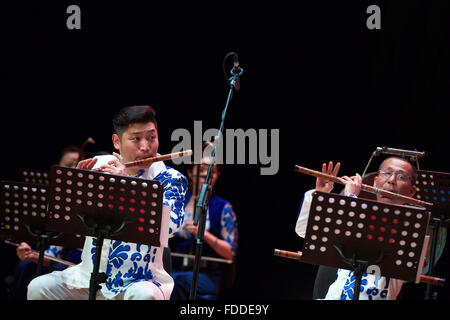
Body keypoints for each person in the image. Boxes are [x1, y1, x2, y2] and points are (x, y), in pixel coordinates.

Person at [27, 105, 188, 300]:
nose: (146, 146)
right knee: (39, 287)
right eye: (136, 138)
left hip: (140, 280)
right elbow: (66, 221)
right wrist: (76, 185)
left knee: (144, 295)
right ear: (116, 142)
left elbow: (171, 226)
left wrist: (128, 186)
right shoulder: (99, 165)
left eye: (151, 137)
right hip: (86, 277)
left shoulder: (170, 178)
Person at [295, 156, 421, 300]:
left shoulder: (412, 227)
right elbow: (304, 231)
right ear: (375, 182)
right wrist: (321, 195)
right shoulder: (358, 214)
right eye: (387, 173)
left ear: (411, 192)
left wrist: (350, 199)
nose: (391, 180)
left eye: (401, 176)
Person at [9, 146, 82, 300]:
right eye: (69, 166)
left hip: (87, 273)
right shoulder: (69, 206)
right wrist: (33, 255)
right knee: (28, 268)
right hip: (67, 269)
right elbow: (54, 255)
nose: (74, 171)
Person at [170, 149, 238, 300]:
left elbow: (230, 252)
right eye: (201, 170)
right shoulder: (178, 202)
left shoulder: (223, 207)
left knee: (177, 282)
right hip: (175, 266)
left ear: (217, 176)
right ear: (189, 172)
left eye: (211, 172)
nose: (205, 177)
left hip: (206, 273)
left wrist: (203, 234)